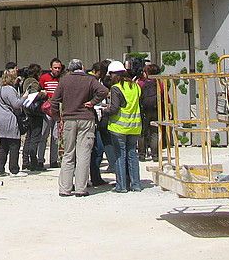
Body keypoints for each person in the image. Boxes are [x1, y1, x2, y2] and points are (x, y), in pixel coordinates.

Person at [51, 58, 108, 197]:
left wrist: (58, 118)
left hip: (69, 119)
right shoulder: (89, 80)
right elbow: (104, 91)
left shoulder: (64, 80)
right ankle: (81, 189)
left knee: (68, 153)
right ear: (82, 67)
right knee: (83, 154)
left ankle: (65, 188)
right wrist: (92, 102)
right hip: (86, 118)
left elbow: (54, 101)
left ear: (70, 68)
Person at [106, 61, 143, 192]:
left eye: (110, 74)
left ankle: (121, 186)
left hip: (119, 127)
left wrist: (104, 110)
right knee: (132, 154)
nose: (109, 77)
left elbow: (114, 109)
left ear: (114, 74)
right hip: (134, 126)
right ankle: (136, 184)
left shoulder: (116, 88)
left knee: (120, 156)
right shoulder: (136, 86)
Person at [0, 69, 26, 177]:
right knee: (14, 144)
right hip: (9, 119)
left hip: (0, 119)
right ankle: (14, 169)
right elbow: (16, 105)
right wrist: (24, 97)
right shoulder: (10, 90)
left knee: (3, 145)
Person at [36, 59, 64, 169]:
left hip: (58, 110)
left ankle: (53, 160)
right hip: (47, 111)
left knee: (56, 137)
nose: (57, 70)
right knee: (44, 135)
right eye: (55, 67)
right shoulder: (44, 78)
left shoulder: (62, 79)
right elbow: (38, 92)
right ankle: (40, 160)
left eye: (59, 68)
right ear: (51, 67)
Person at [21, 63, 45, 171]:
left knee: (28, 137)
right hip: (35, 113)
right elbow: (33, 95)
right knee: (35, 138)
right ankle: (33, 162)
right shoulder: (33, 82)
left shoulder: (25, 81)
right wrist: (43, 94)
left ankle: (25, 161)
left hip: (28, 112)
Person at [139, 63, 162, 161]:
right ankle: (155, 155)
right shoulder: (159, 83)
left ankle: (142, 155)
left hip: (144, 110)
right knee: (154, 132)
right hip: (156, 110)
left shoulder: (141, 83)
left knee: (142, 133)